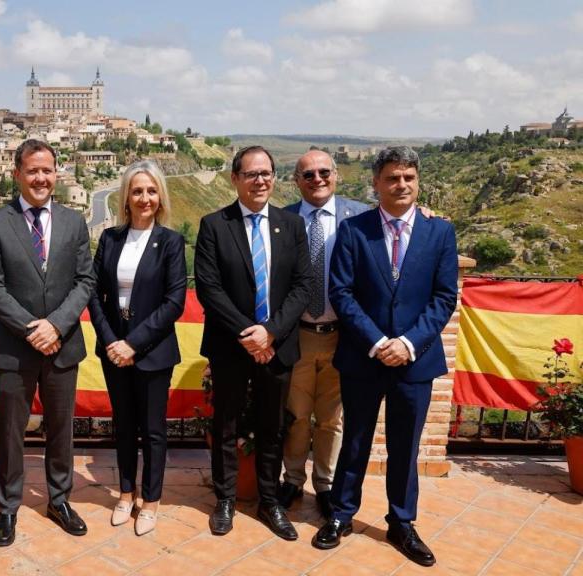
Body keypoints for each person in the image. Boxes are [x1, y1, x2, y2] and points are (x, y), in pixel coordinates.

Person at [314, 147, 457, 568]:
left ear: (417, 181)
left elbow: (444, 295)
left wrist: (409, 343)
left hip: (416, 362)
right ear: (376, 183)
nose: (402, 185)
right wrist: (377, 343)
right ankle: (341, 515)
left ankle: (402, 521)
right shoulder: (354, 230)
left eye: (409, 177)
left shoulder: (440, 233)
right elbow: (341, 292)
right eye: (392, 178)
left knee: (404, 446)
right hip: (363, 358)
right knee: (355, 440)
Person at [0, 139, 96, 547]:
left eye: (47, 170)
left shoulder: (74, 222)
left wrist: (56, 326)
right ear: (17, 174)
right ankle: (7, 507)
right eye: (33, 171)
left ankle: (59, 499)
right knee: (10, 433)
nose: (41, 178)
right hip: (15, 347)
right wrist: (32, 328)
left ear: (56, 174)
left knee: (61, 430)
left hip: (62, 346)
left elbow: (85, 281)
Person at [195, 145, 312, 540]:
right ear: (235, 179)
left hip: (277, 345)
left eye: (266, 173)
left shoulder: (292, 226)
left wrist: (271, 332)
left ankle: (269, 501)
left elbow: (302, 286)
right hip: (231, 345)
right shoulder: (214, 224)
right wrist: (250, 333)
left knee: (271, 425)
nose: (260, 180)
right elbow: (210, 288)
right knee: (225, 424)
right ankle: (225, 498)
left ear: (274, 178)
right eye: (251, 174)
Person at [87, 160, 186, 536]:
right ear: (126, 196)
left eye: (151, 190)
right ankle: (125, 493)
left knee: (154, 431)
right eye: (137, 191)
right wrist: (113, 341)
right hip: (114, 350)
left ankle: (151, 501)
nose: (144, 198)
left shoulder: (171, 242)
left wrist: (133, 343)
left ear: (160, 196)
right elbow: (94, 294)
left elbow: (174, 301)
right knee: (124, 427)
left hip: (152, 351)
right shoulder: (110, 239)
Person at [279, 150, 369, 519]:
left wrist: (426, 212)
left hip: (341, 336)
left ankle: (326, 485)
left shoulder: (362, 217)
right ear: (296, 180)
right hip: (298, 334)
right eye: (308, 174)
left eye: (323, 172)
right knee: (296, 414)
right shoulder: (282, 219)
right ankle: (292, 480)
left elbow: (403, 218)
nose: (317, 179)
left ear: (336, 175)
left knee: (332, 418)